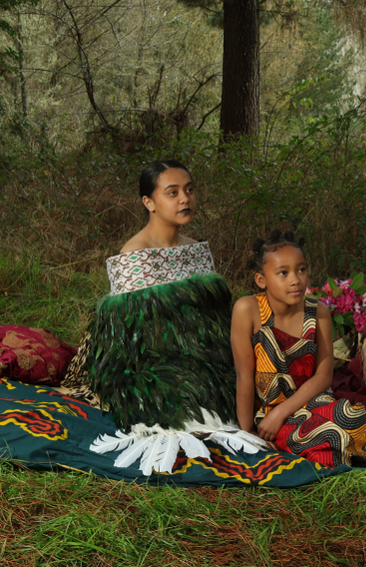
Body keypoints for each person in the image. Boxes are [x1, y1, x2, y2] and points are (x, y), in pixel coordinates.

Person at [87, 160, 264, 475]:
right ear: (149, 202)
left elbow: (216, 321)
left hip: (209, 354)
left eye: (189, 190)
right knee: (200, 407)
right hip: (157, 365)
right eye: (172, 193)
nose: (185, 199)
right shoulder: (133, 256)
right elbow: (132, 343)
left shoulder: (196, 249)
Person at [230, 230, 366, 467]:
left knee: (350, 414)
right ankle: (360, 434)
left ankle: (362, 429)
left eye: (301, 269)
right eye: (283, 273)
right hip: (270, 412)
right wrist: (248, 433)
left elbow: (323, 377)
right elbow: (244, 376)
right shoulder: (248, 310)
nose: (295, 280)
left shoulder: (318, 312)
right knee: (324, 439)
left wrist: (281, 413)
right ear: (261, 280)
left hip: (311, 403)